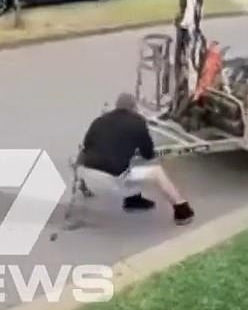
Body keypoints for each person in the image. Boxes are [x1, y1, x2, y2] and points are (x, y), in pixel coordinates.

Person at [79, 92, 195, 225]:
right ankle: (182, 210)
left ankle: (134, 199)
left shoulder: (99, 121)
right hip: (112, 180)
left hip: (89, 175)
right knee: (154, 170)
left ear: (116, 106)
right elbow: (148, 154)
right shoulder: (137, 122)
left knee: (129, 162)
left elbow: (86, 147)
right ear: (134, 107)